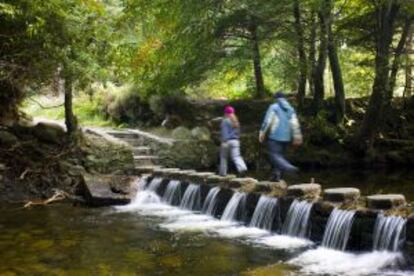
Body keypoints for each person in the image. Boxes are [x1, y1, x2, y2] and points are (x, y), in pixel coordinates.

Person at [259, 91, 302, 181]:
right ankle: (276, 176)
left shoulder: (274, 107)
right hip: (286, 138)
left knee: (274, 155)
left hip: (275, 136)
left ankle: (289, 168)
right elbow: (295, 124)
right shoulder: (290, 109)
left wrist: (262, 132)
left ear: (276, 99)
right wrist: (297, 136)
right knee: (280, 156)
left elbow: (268, 121)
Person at [219, 105, 247, 176]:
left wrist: (223, 141)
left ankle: (223, 173)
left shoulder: (225, 121)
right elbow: (238, 133)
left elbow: (224, 132)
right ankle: (242, 168)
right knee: (236, 156)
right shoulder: (236, 121)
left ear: (225, 113)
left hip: (227, 141)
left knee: (223, 157)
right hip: (236, 141)